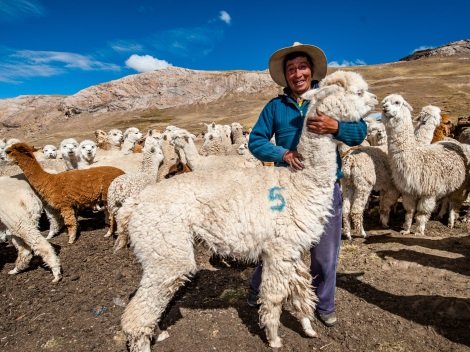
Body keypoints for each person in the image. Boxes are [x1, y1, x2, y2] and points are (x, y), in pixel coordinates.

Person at [247, 42, 367, 327]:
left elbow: (360, 131)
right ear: (285, 75)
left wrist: (336, 127)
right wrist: (283, 154)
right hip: (283, 189)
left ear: (311, 70)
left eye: (302, 67)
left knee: (325, 253)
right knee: (273, 245)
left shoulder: (333, 99)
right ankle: (257, 291)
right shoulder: (276, 107)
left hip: (323, 190)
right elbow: (256, 141)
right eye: (291, 69)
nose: (297, 73)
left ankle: (323, 303)